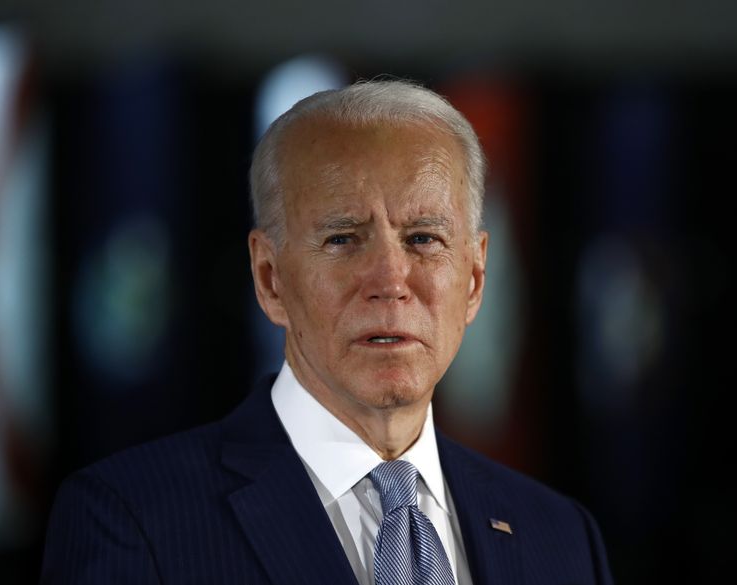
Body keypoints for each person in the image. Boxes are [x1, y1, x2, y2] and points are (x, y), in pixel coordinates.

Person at [40, 80, 613, 584]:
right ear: (270, 279)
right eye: (343, 239)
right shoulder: (131, 519)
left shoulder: (561, 538)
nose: (391, 280)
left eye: (423, 239)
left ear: (474, 278)